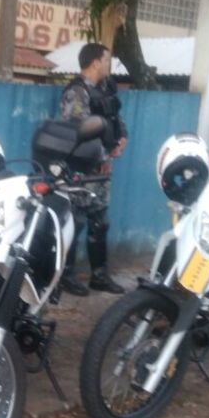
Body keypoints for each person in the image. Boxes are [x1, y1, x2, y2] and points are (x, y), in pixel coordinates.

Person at [58, 42, 128, 296]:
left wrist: (121, 139)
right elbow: (77, 133)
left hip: (100, 171)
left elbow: (113, 120)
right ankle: (65, 275)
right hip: (80, 171)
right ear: (95, 62)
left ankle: (99, 276)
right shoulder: (77, 93)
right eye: (106, 60)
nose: (109, 65)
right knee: (73, 224)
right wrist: (105, 151)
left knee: (100, 223)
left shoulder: (103, 91)